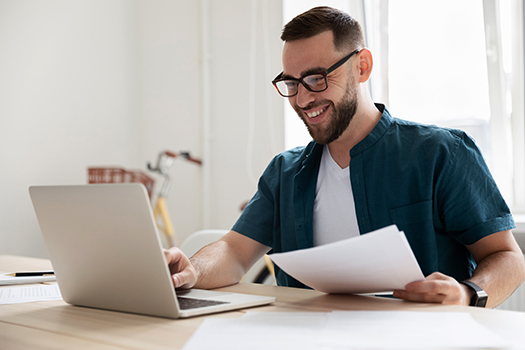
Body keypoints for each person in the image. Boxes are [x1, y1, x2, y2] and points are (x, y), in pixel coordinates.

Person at [165, 6, 524, 308]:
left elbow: (509, 258)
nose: (302, 99)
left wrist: (466, 294)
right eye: (291, 83)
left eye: (316, 78)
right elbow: (233, 250)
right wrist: (192, 271)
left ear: (362, 67)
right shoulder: (284, 172)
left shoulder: (441, 154)